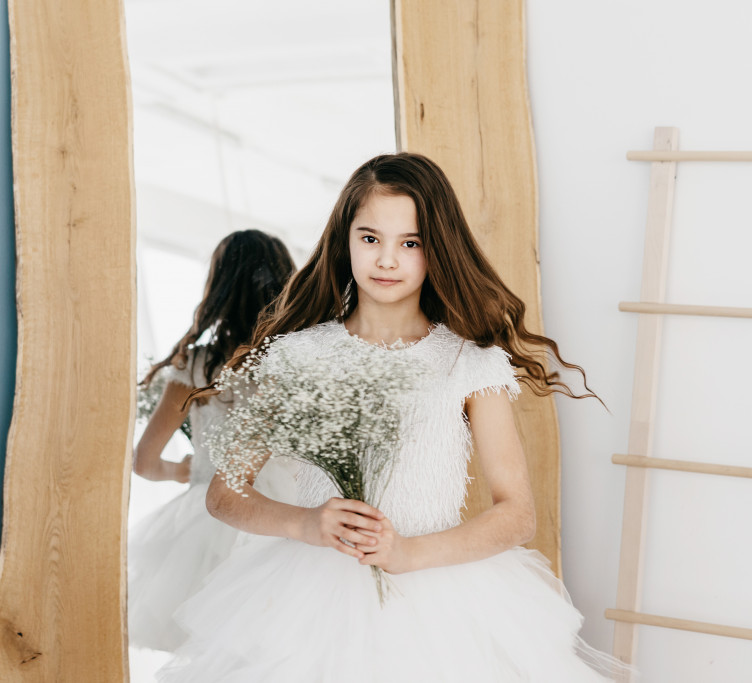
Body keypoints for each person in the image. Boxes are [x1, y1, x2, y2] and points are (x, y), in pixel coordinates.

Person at [157, 153, 632, 681]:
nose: (387, 260)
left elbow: (517, 513)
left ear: (437, 250)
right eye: (370, 238)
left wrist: (406, 552)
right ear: (345, 242)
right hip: (310, 599)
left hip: (444, 595)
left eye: (410, 243)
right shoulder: (296, 356)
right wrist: (305, 522)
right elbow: (225, 494)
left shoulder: (468, 361)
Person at [129, 229, 296, 653]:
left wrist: (187, 469)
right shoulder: (296, 361)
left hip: (206, 522)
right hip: (288, 516)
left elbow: (145, 462)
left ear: (218, 285)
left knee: (206, 655)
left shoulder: (198, 365)